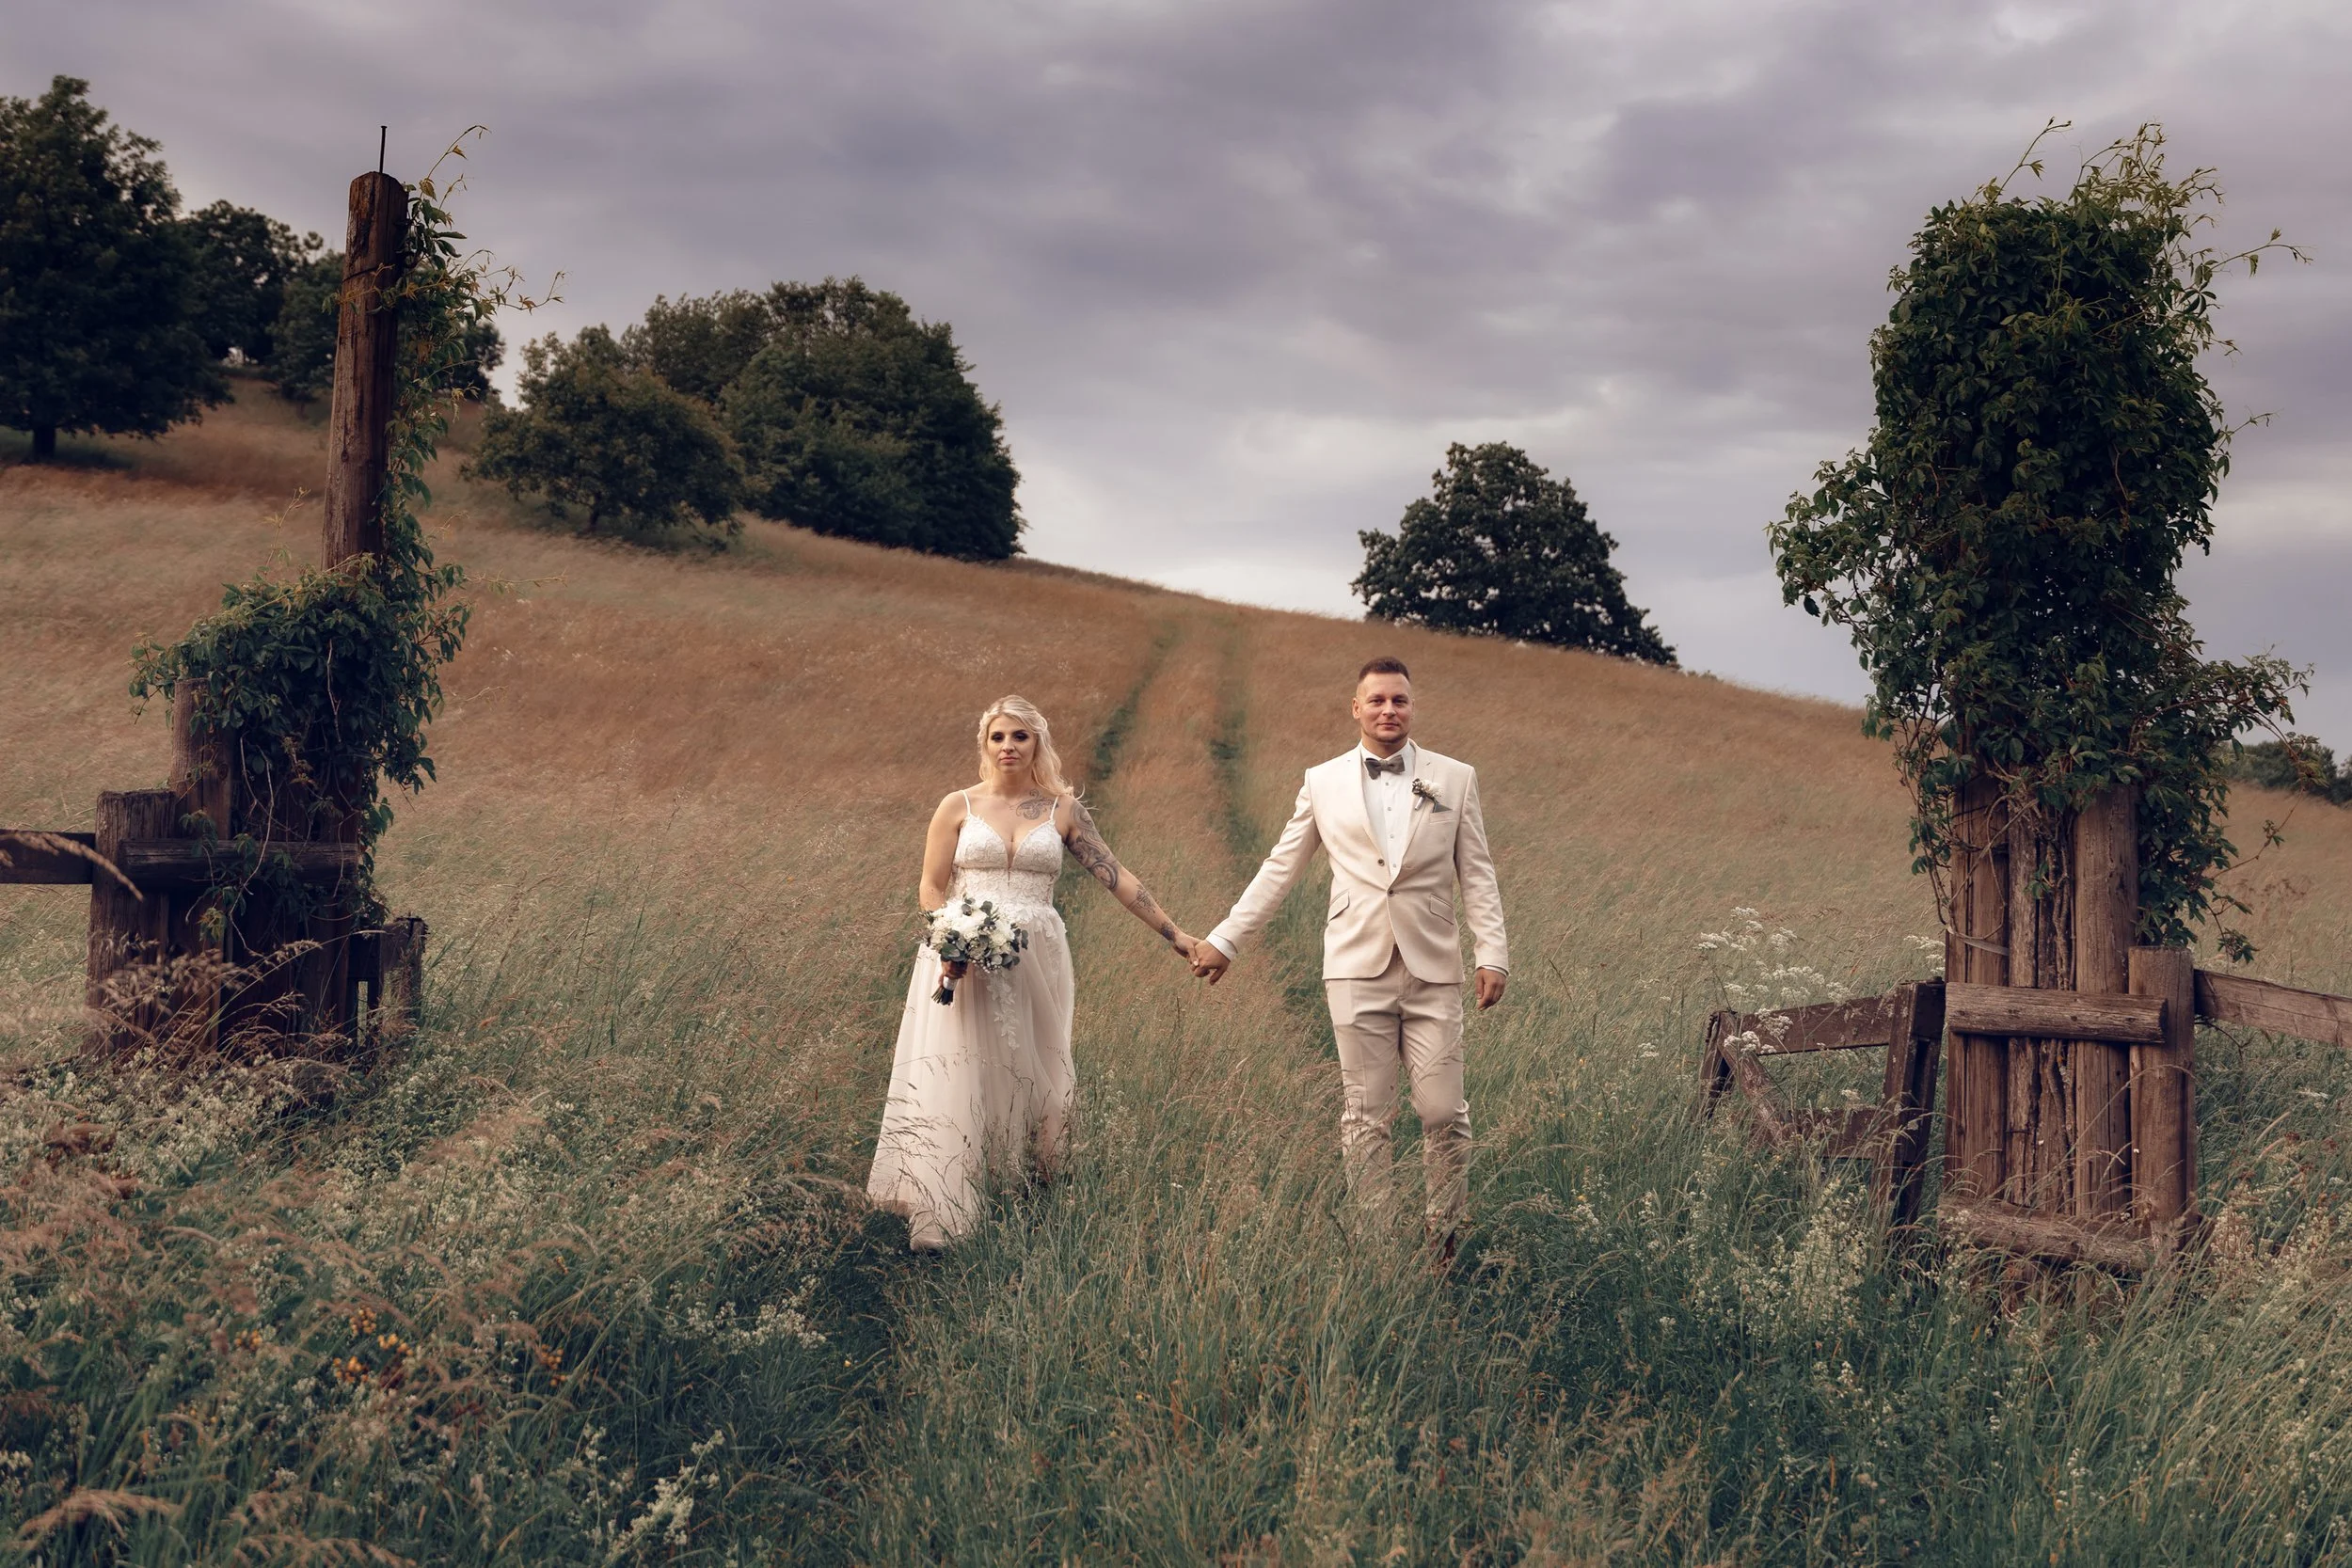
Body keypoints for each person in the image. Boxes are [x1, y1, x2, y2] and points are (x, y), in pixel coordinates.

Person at [1191, 657, 1507, 1259]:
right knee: (1366, 1114)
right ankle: (1375, 1243)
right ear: (1356, 708)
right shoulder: (1322, 781)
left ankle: (1443, 1234)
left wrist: (1493, 952)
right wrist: (1227, 939)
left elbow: (1478, 873)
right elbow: (1280, 868)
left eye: (1400, 700)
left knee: (1443, 1111)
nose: (1389, 710)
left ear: (1412, 708)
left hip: (1434, 966)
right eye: (1377, 700)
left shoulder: (1455, 778)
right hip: (1354, 966)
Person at [866, 695, 1200, 1251]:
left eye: (1020, 736)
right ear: (984, 743)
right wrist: (948, 937)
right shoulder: (957, 805)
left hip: (1038, 956)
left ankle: (1025, 1195)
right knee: (963, 1069)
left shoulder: (1061, 809)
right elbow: (930, 884)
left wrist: (1176, 934)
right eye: (998, 736)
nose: (1008, 747)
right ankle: (949, 1208)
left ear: (1037, 743)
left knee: (1038, 1069)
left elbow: (1116, 876)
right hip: (963, 955)